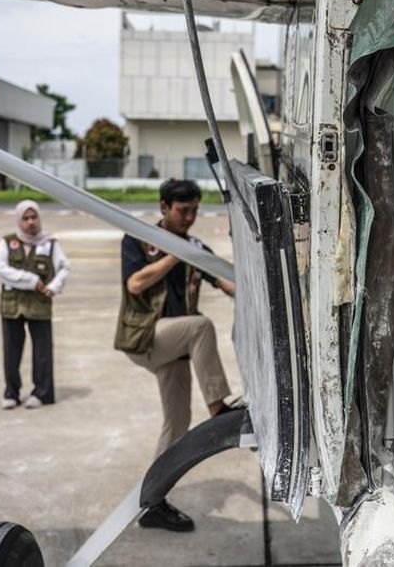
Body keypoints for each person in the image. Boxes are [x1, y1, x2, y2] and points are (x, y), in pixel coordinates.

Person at [117, 178, 239, 532]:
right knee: (201, 326)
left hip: (175, 346)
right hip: (145, 335)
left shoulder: (195, 245)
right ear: (164, 208)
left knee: (177, 425)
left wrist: (254, 296)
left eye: (195, 210)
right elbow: (135, 284)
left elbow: (224, 281)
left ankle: (153, 500)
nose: (190, 217)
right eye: (183, 210)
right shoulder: (139, 238)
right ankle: (218, 407)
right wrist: (176, 253)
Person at [0, 200, 69, 409]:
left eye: (34, 217)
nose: (31, 222)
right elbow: (0, 270)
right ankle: (11, 392)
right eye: (25, 218)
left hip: (39, 304)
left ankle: (42, 393)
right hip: (12, 305)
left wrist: (53, 287)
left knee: (43, 351)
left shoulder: (50, 243)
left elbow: (63, 268)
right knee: (11, 351)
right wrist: (31, 280)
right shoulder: (8, 243)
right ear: (19, 221)